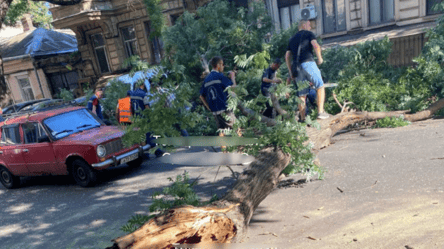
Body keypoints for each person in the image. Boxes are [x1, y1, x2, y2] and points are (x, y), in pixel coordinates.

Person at [285, 19, 329, 121]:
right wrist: (320, 58)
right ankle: (321, 112)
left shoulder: (292, 39)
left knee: (302, 94)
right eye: (309, 25)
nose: (310, 27)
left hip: (296, 68)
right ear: (304, 25)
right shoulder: (309, 34)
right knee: (320, 86)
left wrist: (290, 71)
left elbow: (287, 56)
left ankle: (303, 119)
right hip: (308, 63)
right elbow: (316, 46)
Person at [200, 56, 237, 137]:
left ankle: (223, 149)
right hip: (225, 108)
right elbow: (234, 88)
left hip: (215, 111)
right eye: (222, 64)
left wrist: (209, 107)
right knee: (236, 128)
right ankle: (241, 147)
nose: (223, 66)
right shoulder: (220, 77)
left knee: (221, 131)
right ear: (218, 65)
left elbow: (201, 96)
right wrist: (233, 77)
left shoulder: (206, 79)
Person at [130, 81, 169, 158]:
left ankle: (146, 154)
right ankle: (157, 152)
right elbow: (147, 107)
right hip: (145, 118)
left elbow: (131, 108)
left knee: (142, 137)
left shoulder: (132, 95)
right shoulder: (143, 94)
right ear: (143, 85)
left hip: (137, 118)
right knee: (151, 135)